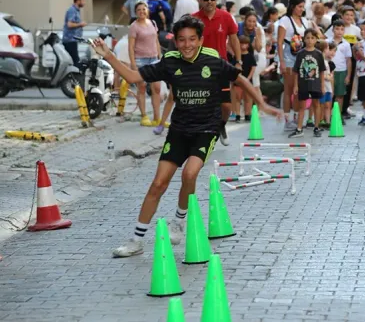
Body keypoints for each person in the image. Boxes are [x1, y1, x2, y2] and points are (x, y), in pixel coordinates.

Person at [89, 16, 282, 257]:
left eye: (192, 39)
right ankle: (136, 240)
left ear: (200, 40)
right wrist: (107, 54)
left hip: (206, 129)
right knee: (158, 183)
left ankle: (178, 220)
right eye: (182, 40)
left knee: (190, 173)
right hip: (179, 130)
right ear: (175, 42)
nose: (187, 44)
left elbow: (239, 78)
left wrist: (261, 104)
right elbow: (133, 78)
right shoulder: (169, 63)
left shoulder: (213, 61)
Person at [192, 0, 241, 146]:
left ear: (216, 0)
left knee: (226, 105)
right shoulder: (193, 19)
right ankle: (201, 134)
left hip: (221, 66)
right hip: (199, 67)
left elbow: (234, 40)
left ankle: (221, 125)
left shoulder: (226, 17)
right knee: (202, 103)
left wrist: (238, 60)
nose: (209, 2)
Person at [128, 1, 163, 127]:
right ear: (136, 12)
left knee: (157, 89)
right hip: (140, 60)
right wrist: (133, 63)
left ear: (147, 10)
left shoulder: (152, 23)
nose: (142, 11)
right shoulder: (134, 26)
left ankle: (157, 118)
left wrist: (160, 57)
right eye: (139, 10)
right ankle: (144, 116)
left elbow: (156, 41)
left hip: (154, 59)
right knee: (141, 88)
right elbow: (131, 46)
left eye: (144, 9)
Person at [278, 0, 310, 131]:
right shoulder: (284, 20)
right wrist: (282, 62)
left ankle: (297, 117)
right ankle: (287, 119)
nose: (302, 9)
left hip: (302, 59)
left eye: (303, 7)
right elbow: (279, 42)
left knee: (300, 90)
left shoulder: (304, 21)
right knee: (289, 89)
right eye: (299, 6)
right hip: (289, 59)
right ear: (292, 6)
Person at [289, 29, 326, 138]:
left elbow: (322, 71)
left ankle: (316, 127)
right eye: (308, 38)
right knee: (302, 106)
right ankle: (299, 128)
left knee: (316, 105)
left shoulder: (318, 54)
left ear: (316, 40)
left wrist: (322, 85)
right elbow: (296, 71)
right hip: (303, 84)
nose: (310, 40)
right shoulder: (300, 53)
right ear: (304, 39)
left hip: (315, 84)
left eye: (312, 38)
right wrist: (296, 85)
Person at [328, 20, 353, 122]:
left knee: (340, 95)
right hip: (329, 72)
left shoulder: (346, 44)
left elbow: (348, 60)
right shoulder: (328, 42)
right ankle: (328, 116)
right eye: (337, 29)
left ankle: (338, 116)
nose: (339, 31)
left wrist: (348, 76)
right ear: (333, 30)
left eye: (342, 29)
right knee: (329, 94)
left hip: (341, 71)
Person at [62, 0, 86, 67]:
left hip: (73, 40)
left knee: (74, 61)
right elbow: (69, 24)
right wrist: (80, 24)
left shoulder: (77, 11)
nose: (84, 2)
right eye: (83, 0)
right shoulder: (72, 10)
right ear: (78, 1)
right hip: (69, 40)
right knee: (75, 61)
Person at [319, 42, 336, 128]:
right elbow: (323, 74)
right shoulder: (321, 62)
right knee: (321, 105)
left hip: (328, 87)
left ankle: (328, 121)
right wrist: (329, 77)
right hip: (323, 87)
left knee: (328, 105)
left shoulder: (327, 62)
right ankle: (320, 120)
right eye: (328, 49)